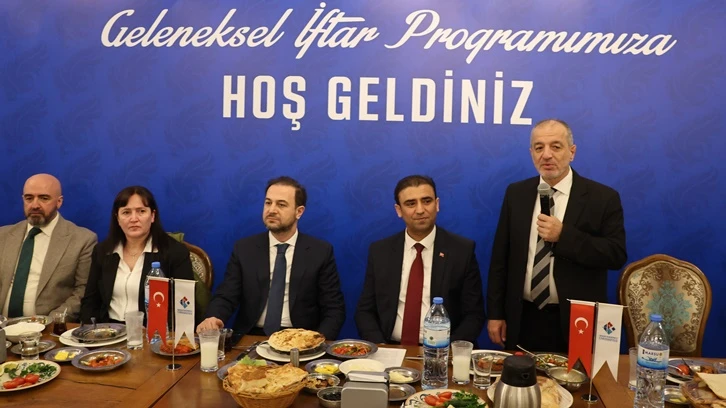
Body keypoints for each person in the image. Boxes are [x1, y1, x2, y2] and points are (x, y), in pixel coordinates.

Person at [487, 119, 627, 352]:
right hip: (522, 317)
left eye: (556, 146)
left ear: (572, 152)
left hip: (576, 321)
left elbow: (615, 254)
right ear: (531, 153)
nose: (546, 155)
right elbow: (500, 258)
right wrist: (495, 314)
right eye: (539, 147)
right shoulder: (516, 193)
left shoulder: (603, 198)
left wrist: (565, 235)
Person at [196, 176, 346, 340]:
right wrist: (214, 317)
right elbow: (226, 295)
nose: (272, 210)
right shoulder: (245, 249)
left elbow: (334, 308)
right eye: (268, 203)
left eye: (281, 204)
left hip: (300, 338)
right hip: (251, 336)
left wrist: (316, 341)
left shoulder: (320, 252)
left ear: (299, 212)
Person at [355, 175, 486, 345]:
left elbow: (474, 315)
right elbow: (365, 311)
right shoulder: (380, 251)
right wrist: (381, 347)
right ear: (398, 210)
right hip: (389, 346)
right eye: (411, 204)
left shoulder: (462, 250)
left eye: (426, 201)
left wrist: (445, 351)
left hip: (443, 349)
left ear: (437, 204)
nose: (420, 210)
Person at [80, 186, 194, 323]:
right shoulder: (103, 251)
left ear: (152, 216)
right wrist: (88, 332)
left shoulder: (175, 252)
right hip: (108, 330)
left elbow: (183, 306)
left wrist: (157, 331)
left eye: (141, 211)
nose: (134, 219)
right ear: (117, 218)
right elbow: (90, 301)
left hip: (152, 330)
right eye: (126, 212)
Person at [0, 174, 96, 320]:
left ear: (59, 202)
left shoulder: (82, 240)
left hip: (49, 327)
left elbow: (83, 291)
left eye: (44, 198)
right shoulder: (3, 236)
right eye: (29, 198)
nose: (35, 205)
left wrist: (52, 321)